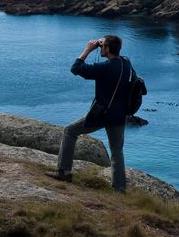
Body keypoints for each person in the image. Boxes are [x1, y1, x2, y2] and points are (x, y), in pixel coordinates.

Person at [47, 34, 135, 192]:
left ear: (107, 48)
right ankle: (119, 190)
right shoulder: (126, 62)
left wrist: (88, 49)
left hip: (102, 114)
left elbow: (76, 68)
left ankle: (64, 172)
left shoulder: (105, 68)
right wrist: (106, 43)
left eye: (103, 46)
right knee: (117, 152)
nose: (100, 48)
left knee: (69, 131)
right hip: (120, 115)